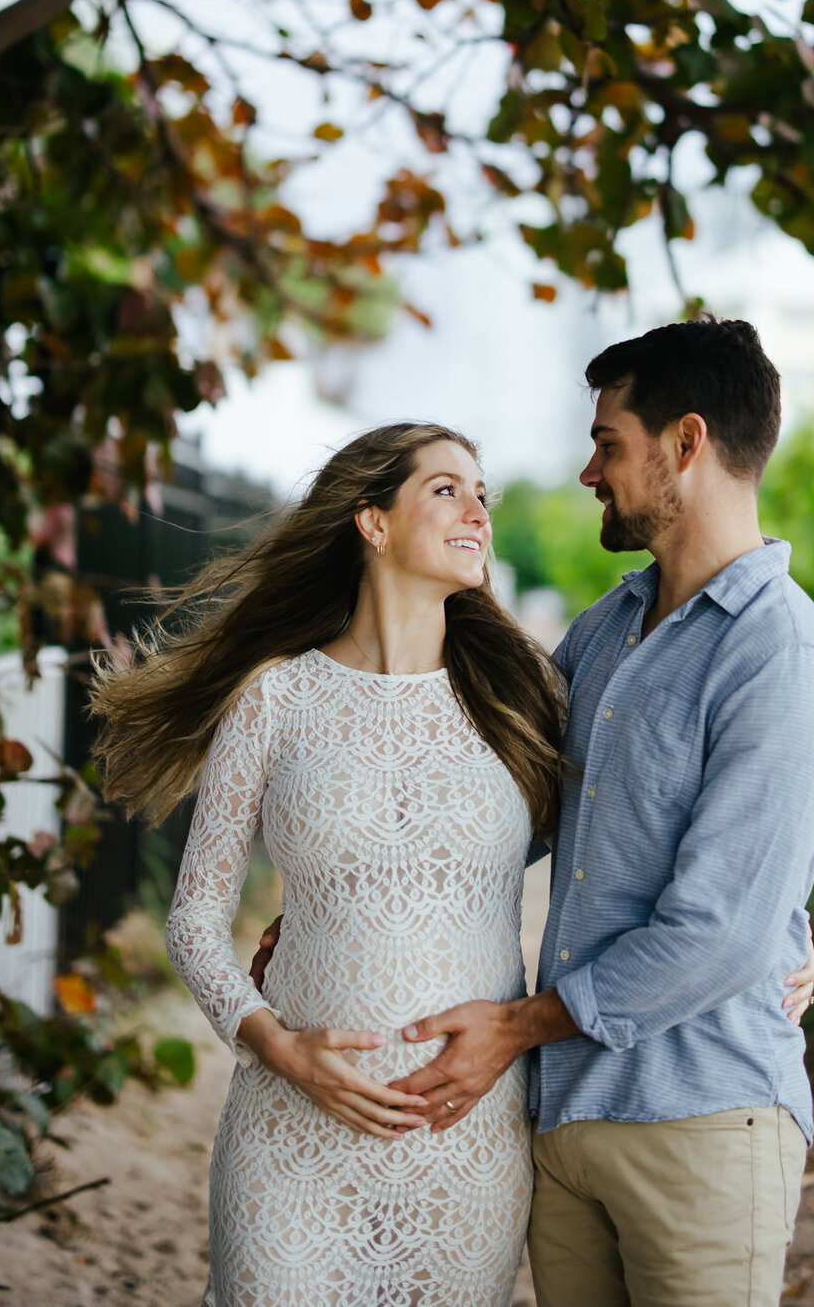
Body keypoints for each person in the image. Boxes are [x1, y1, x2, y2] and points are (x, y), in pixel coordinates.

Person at [251, 319, 814, 1307]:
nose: (587, 469)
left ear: (686, 443)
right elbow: (509, 801)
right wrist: (353, 896)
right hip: (567, 1120)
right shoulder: (608, 628)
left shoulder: (780, 659)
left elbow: (722, 931)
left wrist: (519, 1026)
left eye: (608, 442)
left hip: (700, 1120)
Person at [88, 422, 569, 1307]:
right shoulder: (275, 696)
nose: (478, 512)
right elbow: (195, 918)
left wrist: (782, 927)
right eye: (446, 489)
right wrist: (275, 1042)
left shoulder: (520, 694)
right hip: (291, 1133)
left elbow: (637, 837)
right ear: (372, 521)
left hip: (462, 1137)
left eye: (482, 494)